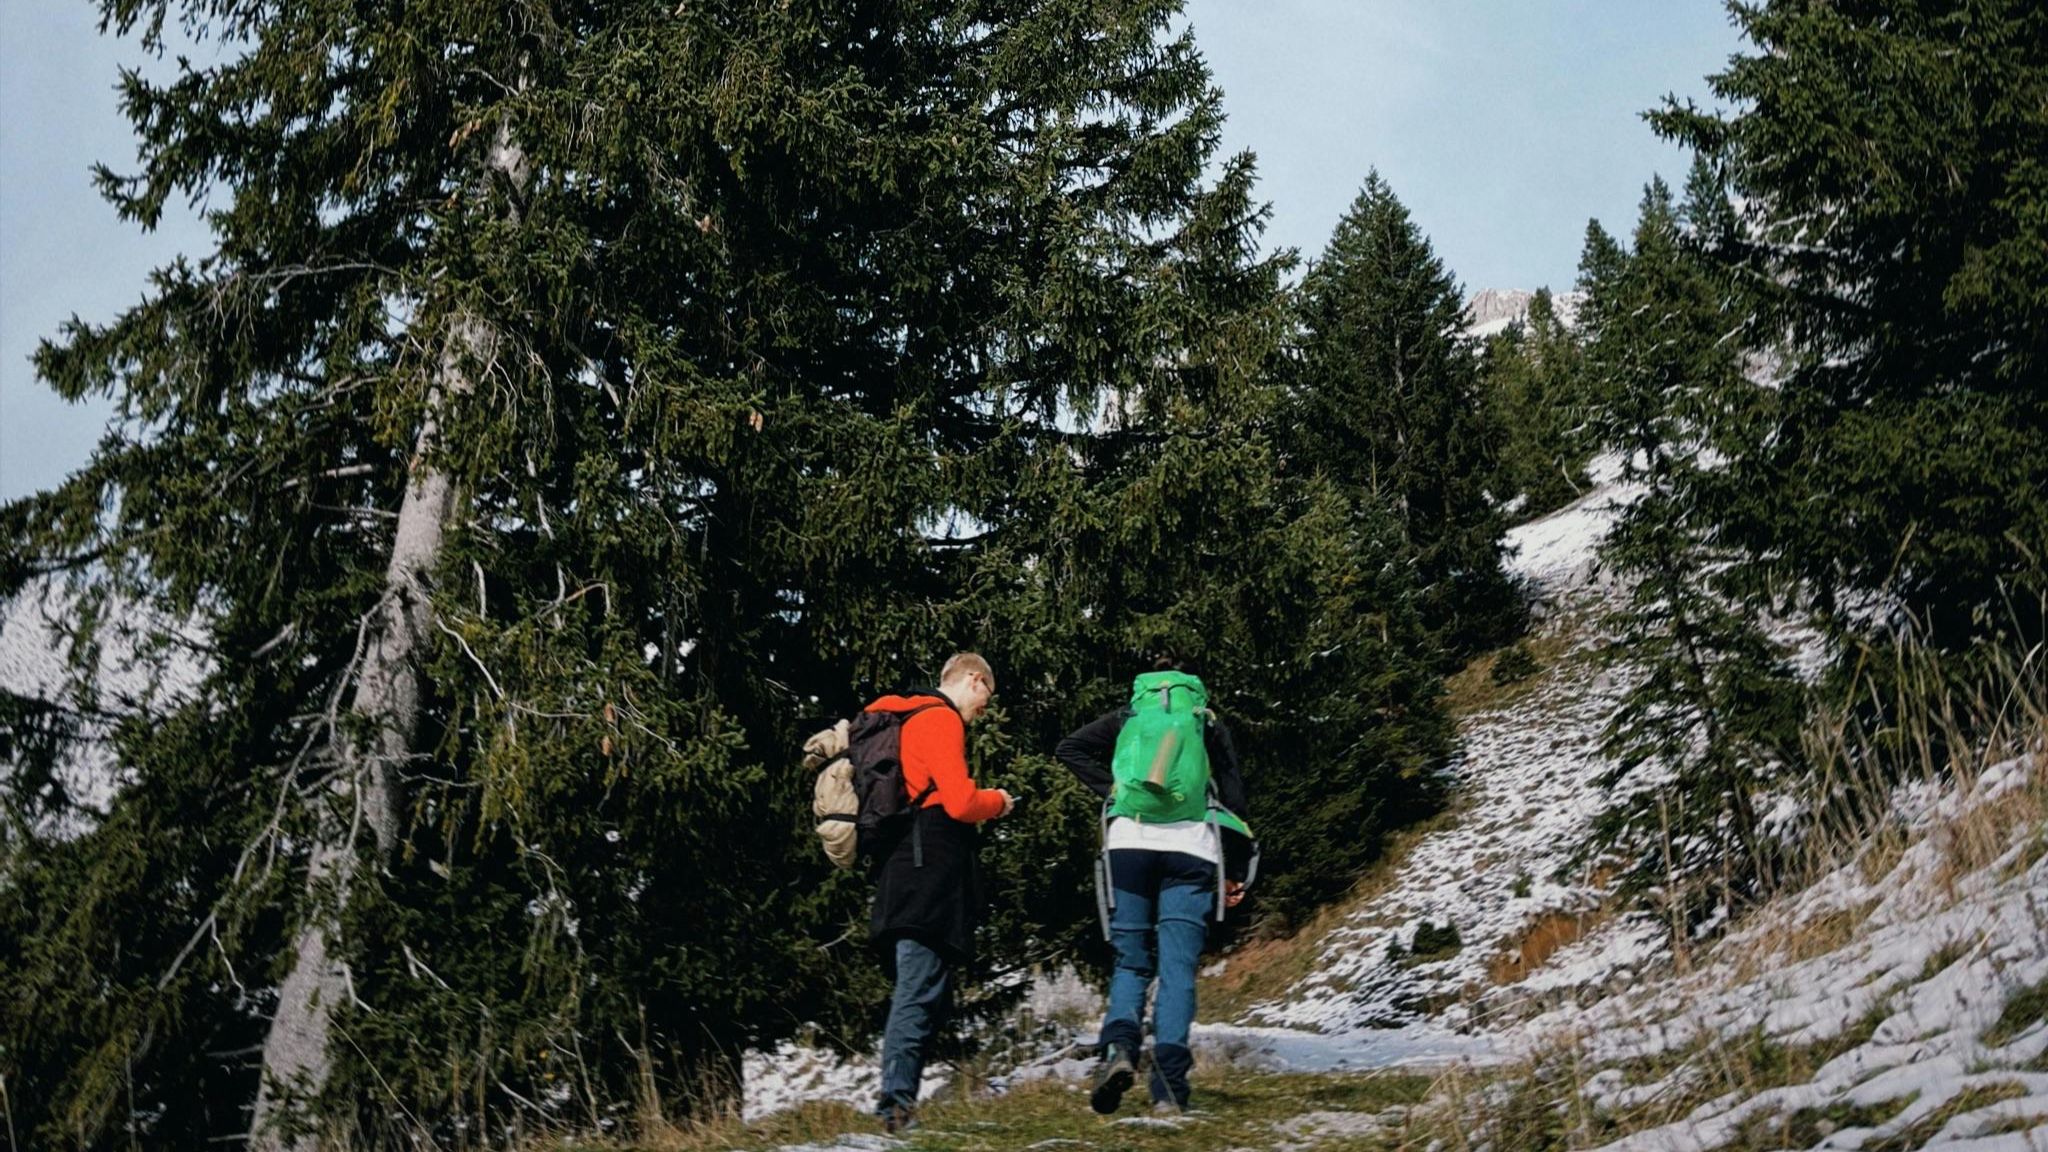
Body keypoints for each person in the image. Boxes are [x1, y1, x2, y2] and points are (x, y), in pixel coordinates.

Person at [1055, 658, 1256, 1116]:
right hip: (1192, 850)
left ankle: (1119, 1051)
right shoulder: (1204, 723)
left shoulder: (1127, 718)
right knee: (1177, 969)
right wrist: (1235, 867)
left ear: (1143, 688)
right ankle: (1168, 1090)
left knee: (1131, 962)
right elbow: (1234, 794)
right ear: (1193, 689)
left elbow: (1069, 749)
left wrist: (1116, 793)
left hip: (1128, 845)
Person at [865, 652, 1015, 1133]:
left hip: (901, 870)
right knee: (916, 990)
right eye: (985, 698)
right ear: (974, 681)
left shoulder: (907, 717)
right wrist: (999, 802)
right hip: (927, 874)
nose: (983, 710)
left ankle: (898, 1101)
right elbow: (960, 800)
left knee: (923, 989)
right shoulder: (940, 720)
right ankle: (895, 1106)